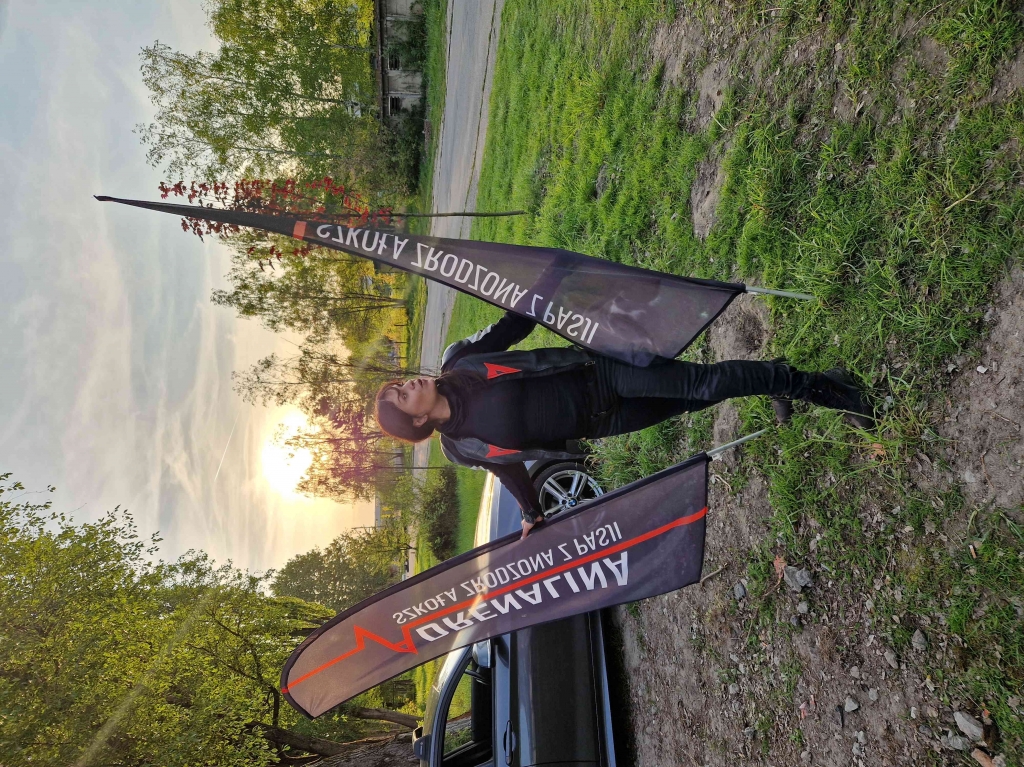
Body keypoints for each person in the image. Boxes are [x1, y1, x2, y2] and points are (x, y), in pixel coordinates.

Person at [376, 311, 873, 539]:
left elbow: (515, 324)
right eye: (403, 396)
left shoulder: (459, 361)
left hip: (601, 372)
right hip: (605, 420)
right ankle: (773, 380)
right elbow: (507, 468)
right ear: (417, 420)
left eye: (400, 384)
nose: (409, 384)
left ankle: (826, 387)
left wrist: (535, 285)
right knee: (693, 400)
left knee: (702, 383)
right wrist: (531, 513)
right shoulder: (460, 448)